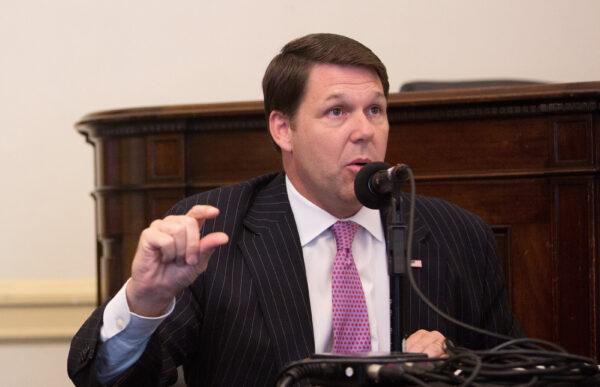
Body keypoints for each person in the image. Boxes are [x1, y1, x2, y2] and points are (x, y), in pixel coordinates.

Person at [68, 33, 520, 386]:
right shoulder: (217, 232)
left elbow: (517, 372)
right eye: (338, 112)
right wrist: (146, 302)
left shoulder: (457, 235)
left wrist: (455, 366)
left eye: (376, 109)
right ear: (283, 129)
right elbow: (106, 379)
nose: (365, 131)